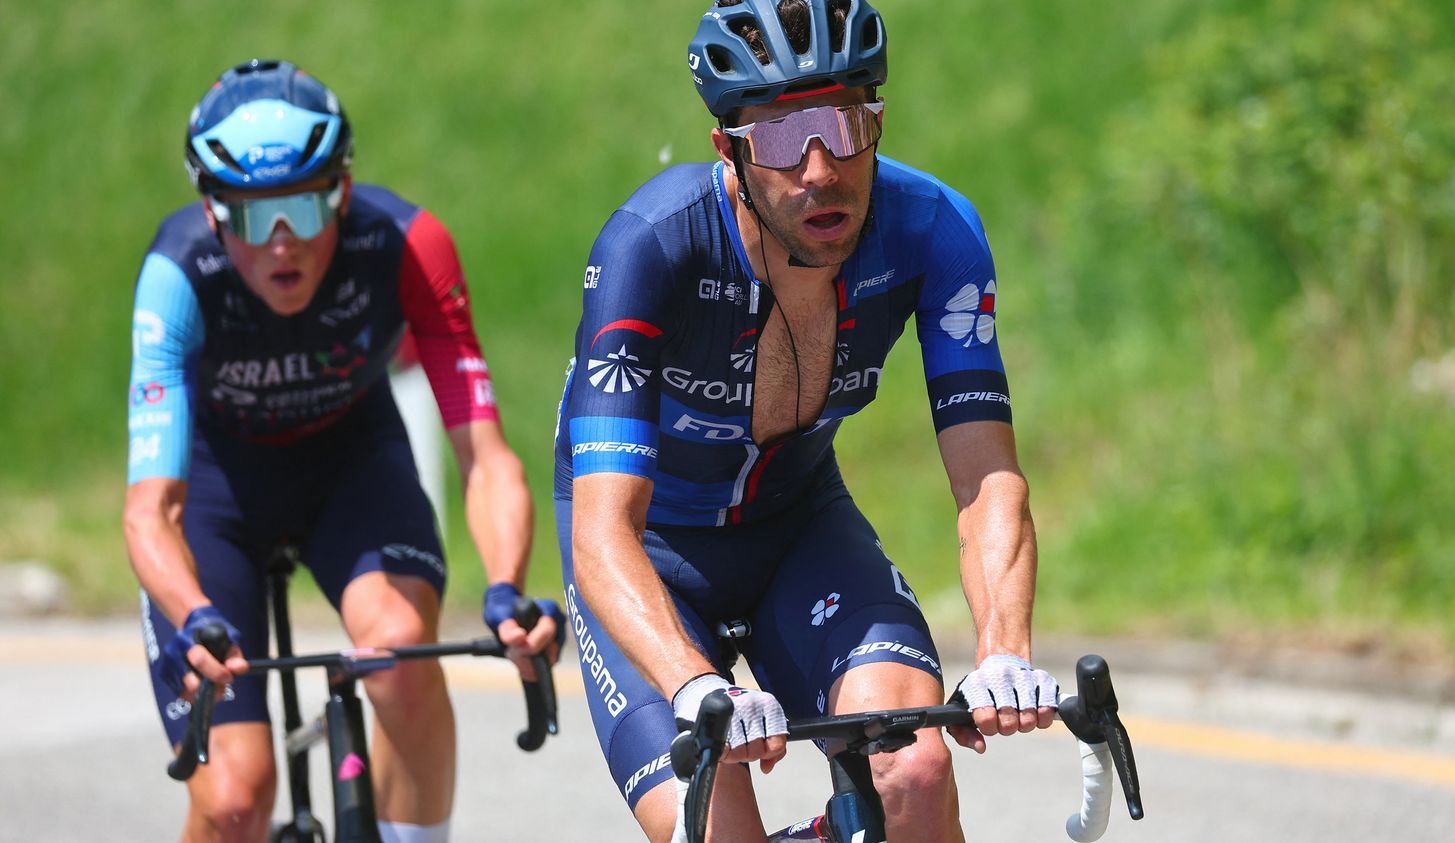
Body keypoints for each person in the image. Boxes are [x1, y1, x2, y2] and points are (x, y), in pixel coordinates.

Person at [553, 1, 1058, 840]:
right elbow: (604, 531)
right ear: (731, 151)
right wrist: (693, 682)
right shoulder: (652, 247)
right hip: (652, 556)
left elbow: (987, 479)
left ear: (878, 122)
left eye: (845, 125)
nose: (821, 168)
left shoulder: (934, 232)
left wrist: (1004, 649)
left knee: (917, 770)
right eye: (784, 138)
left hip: (797, 525)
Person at [124, 59, 562, 843]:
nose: (283, 243)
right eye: (256, 216)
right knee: (232, 799)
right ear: (214, 213)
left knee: (396, 650)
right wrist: (192, 615)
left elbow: (486, 455)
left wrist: (505, 588)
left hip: (350, 464)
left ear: (344, 191)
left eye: (303, 205)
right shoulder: (177, 274)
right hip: (219, 492)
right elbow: (151, 508)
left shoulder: (409, 245)